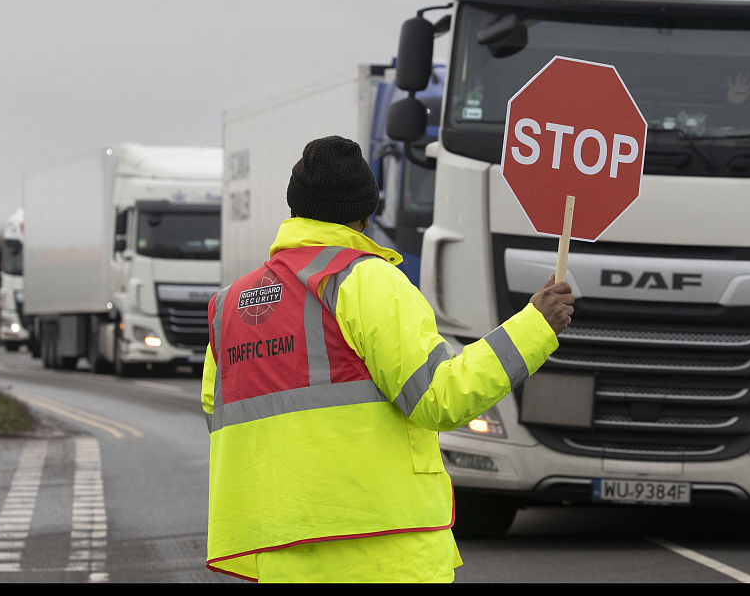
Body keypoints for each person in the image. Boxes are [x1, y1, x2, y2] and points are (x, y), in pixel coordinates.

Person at [201, 135, 574, 583]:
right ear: (367, 213)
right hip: (383, 549)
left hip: (283, 550)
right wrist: (535, 325)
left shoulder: (230, 306)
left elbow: (218, 412)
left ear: (294, 207)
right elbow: (441, 397)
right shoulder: (367, 281)